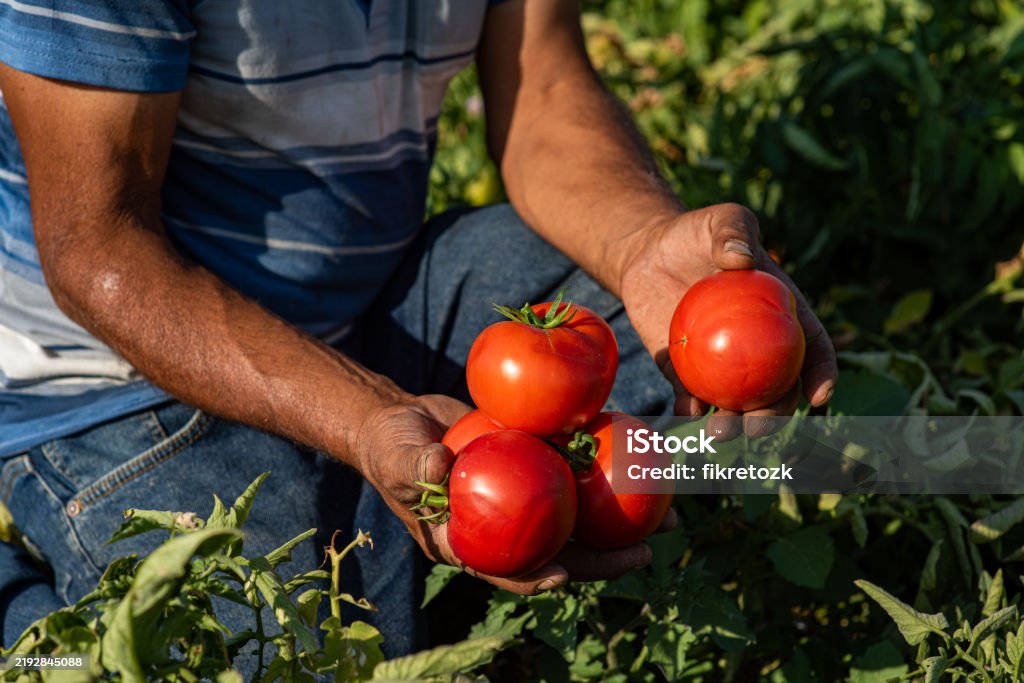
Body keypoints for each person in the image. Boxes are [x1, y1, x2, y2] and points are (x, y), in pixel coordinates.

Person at [0, 0, 838, 661]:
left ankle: (407, 550)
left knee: (659, 383)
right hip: (109, 378)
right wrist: (362, 413)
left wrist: (645, 245)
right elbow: (97, 247)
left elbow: (543, 88)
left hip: (373, 295)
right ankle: (26, 629)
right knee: (301, 647)